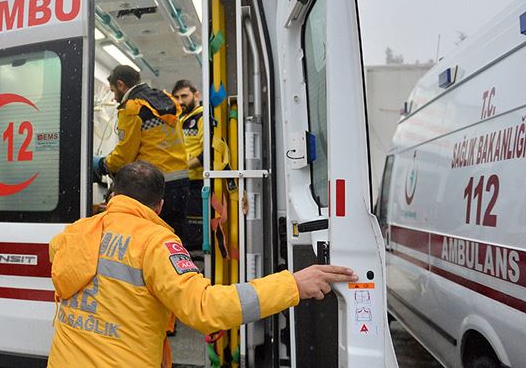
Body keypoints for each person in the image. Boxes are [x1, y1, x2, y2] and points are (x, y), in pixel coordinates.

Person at [48, 161, 358, 367]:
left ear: (113, 195)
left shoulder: (75, 233)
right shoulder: (155, 243)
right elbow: (205, 309)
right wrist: (291, 285)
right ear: (160, 205)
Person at [93, 65, 190, 242]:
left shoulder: (133, 107)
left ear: (121, 85)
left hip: (155, 185)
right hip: (181, 182)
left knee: (151, 242)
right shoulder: (165, 99)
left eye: (114, 91)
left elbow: (124, 156)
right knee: (175, 240)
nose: (114, 98)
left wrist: (102, 164)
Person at [172, 79, 204, 251]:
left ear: (196, 95)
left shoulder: (202, 116)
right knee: (181, 232)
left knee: (194, 236)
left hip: (197, 184)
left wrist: (184, 167)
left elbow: (208, 153)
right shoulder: (179, 119)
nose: (180, 101)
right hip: (181, 183)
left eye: (184, 96)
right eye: (176, 97)